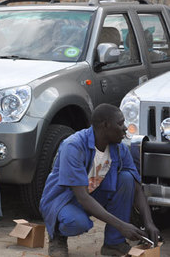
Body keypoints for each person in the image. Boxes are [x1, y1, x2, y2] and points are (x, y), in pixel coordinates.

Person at [40, 104, 160, 256]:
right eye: (120, 123)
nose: (125, 128)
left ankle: (114, 243)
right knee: (77, 223)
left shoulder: (119, 148)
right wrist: (122, 225)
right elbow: (82, 197)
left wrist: (149, 222)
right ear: (105, 125)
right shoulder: (73, 146)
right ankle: (57, 235)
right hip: (64, 200)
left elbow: (137, 189)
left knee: (127, 178)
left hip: (92, 194)